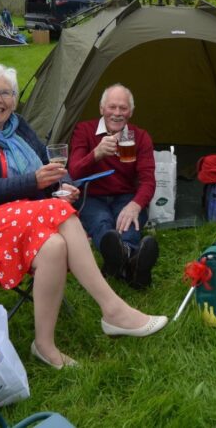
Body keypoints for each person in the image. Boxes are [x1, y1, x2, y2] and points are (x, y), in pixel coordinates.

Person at [0, 64, 167, 370]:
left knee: (54, 247)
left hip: (20, 215)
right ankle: (113, 309)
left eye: (6, 92)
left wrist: (63, 187)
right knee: (58, 212)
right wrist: (34, 183)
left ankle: (44, 345)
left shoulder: (18, 128)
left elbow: (53, 171)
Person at [68, 84, 159, 289]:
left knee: (127, 221)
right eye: (112, 107)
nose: (117, 113)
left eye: (123, 108)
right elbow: (73, 171)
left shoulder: (140, 136)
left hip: (125, 196)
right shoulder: (85, 130)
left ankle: (117, 261)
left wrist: (136, 204)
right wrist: (96, 154)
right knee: (102, 222)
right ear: (102, 109)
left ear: (131, 112)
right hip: (92, 195)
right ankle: (133, 264)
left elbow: (148, 180)